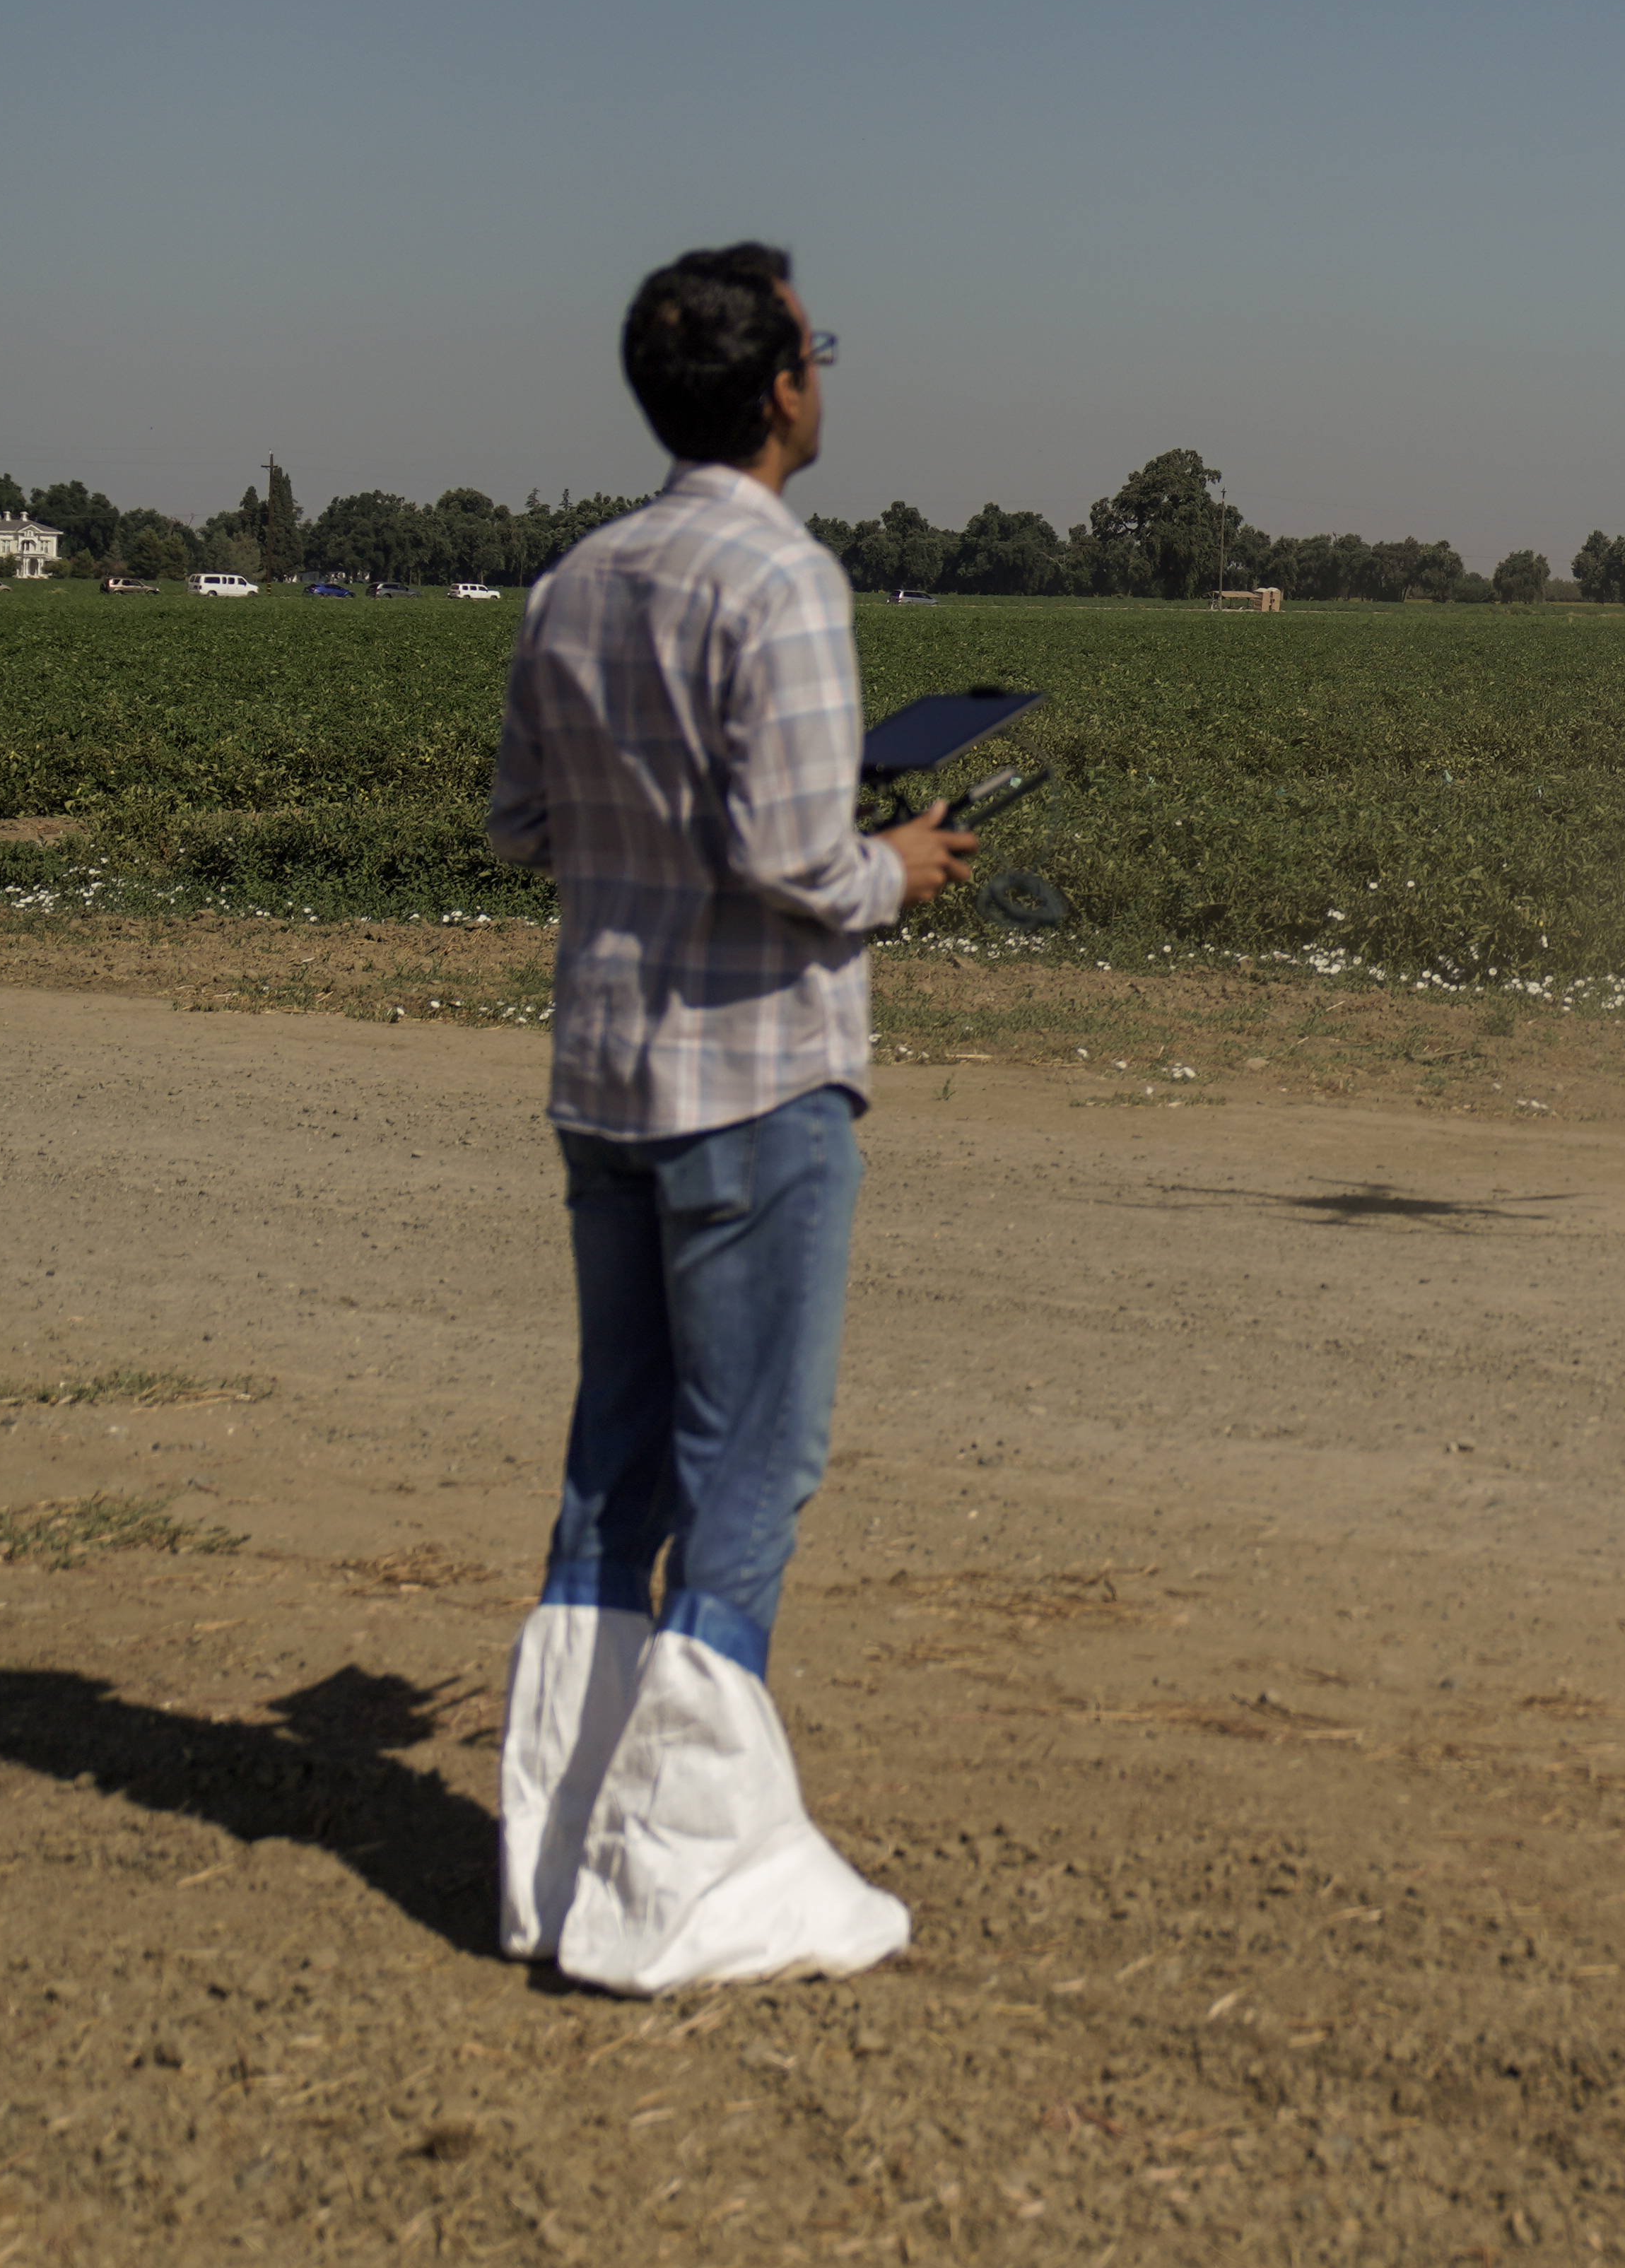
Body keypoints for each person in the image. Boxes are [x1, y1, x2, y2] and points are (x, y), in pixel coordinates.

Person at [482, 242, 977, 1990]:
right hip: (752, 1078)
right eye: (816, 352)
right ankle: (683, 1885)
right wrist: (894, 866)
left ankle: (554, 1858)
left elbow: (521, 820)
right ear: (780, 390)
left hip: (602, 1076)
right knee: (752, 1459)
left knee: (614, 1462)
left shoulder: (576, 580)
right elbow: (787, 859)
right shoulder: (782, 578)